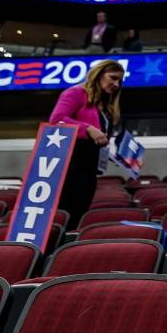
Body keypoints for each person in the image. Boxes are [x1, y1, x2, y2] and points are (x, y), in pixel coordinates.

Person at [49, 60, 123, 228]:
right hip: (68, 167)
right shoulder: (75, 93)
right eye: (112, 78)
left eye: (119, 81)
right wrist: (87, 128)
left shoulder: (105, 106)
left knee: (77, 217)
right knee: (64, 217)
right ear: (98, 74)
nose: (116, 84)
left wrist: (123, 157)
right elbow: (56, 120)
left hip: (89, 169)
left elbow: (102, 139)